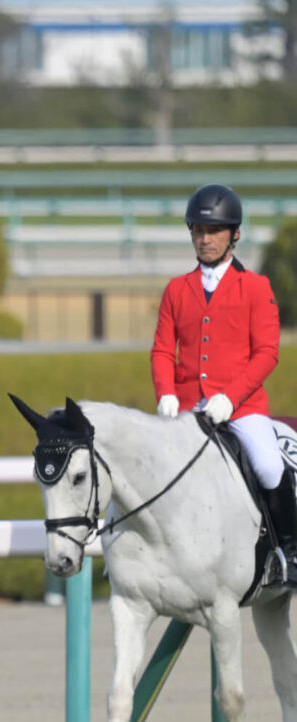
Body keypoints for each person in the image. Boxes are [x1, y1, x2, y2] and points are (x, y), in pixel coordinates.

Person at [152, 182, 297, 583]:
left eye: (213, 231)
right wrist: (165, 393)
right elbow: (163, 350)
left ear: (234, 234)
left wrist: (229, 400)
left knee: (268, 467)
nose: (204, 239)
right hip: (184, 406)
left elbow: (267, 353)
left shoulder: (256, 287)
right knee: (145, 465)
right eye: (198, 231)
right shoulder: (176, 290)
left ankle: (288, 552)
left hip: (241, 407)